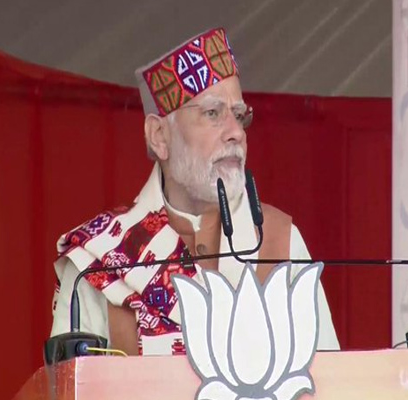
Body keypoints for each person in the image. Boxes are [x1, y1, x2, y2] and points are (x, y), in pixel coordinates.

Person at [50, 27, 340, 355]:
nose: (236, 132)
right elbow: (67, 380)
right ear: (159, 136)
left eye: (239, 115)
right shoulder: (98, 258)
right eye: (212, 113)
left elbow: (328, 375)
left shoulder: (280, 240)